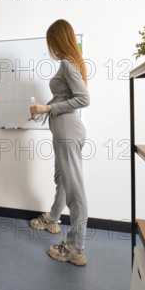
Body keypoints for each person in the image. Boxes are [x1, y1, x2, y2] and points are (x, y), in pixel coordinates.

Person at [29, 19, 90, 266]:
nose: (50, 46)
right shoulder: (71, 63)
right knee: (64, 181)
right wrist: (46, 109)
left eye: (51, 41)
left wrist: (49, 107)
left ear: (57, 39)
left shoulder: (66, 64)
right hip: (65, 130)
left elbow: (84, 98)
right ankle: (53, 218)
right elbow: (67, 97)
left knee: (75, 191)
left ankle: (76, 247)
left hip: (68, 131)